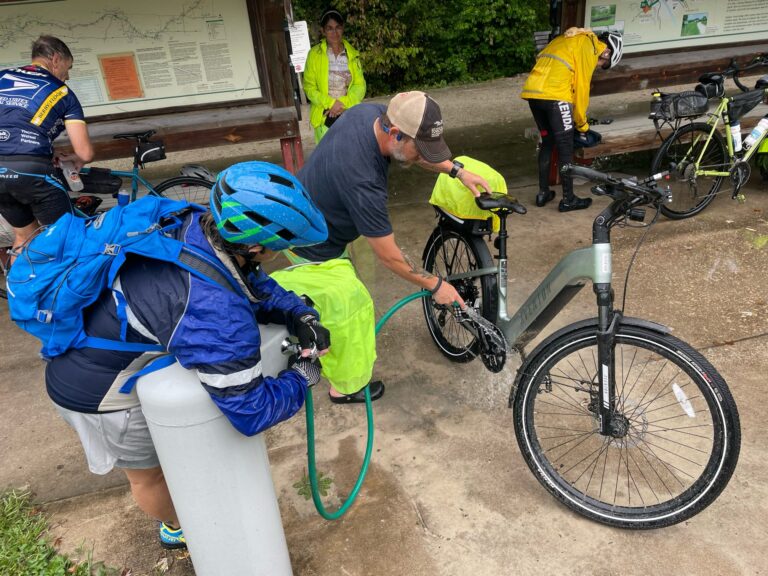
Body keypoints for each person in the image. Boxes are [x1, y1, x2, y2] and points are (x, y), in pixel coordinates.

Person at [44, 161, 332, 550]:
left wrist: (300, 314)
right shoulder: (216, 314)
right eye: (279, 246)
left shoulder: (195, 219)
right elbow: (251, 411)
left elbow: (250, 281)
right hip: (93, 388)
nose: (279, 253)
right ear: (254, 246)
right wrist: (303, 376)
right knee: (149, 477)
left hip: (92, 334)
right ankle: (182, 528)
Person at [288, 90, 491, 403]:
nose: (423, 154)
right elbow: (389, 256)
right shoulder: (363, 179)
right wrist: (435, 284)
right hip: (310, 242)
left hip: (315, 207)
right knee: (351, 309)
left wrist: (457, 171)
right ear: (395, 133)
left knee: (342, 302)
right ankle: (345, 388)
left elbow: (414, 151)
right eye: (419, 148)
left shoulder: (372, 115)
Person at [0, 35, 94, 252]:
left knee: (24, 238)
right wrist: (76, 158)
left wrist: (46, 148)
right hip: (30, 171)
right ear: (55, 58)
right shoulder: (62, 92)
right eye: (67, 68)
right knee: (66, 240)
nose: (67, 76)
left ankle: (18, 286)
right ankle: (64, 285)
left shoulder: (3, 76)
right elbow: (85, 152)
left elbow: (15, 124)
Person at [521, 29, 623, 212]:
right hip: (555, 96)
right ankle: (568, 200)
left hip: (534, 94)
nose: (598, 66)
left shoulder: (569, 40)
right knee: (565, 147)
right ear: (607, 52)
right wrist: (582, 124)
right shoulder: (589, 46)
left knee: (547, 142)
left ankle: (543, 192)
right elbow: (581, 88)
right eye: (602, 63)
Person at [302, 8, 366, 143]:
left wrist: (341, 104)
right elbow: (309, 88)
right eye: (329, 28)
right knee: (328, 159)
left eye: (338, 27)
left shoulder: (352, 54)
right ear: (323, 31)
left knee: (349, 156)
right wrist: (331, 103)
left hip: (347, 113)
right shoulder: (314, 55)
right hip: (325, 115)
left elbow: (359, 86)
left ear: (343, 28)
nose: (334, 32)